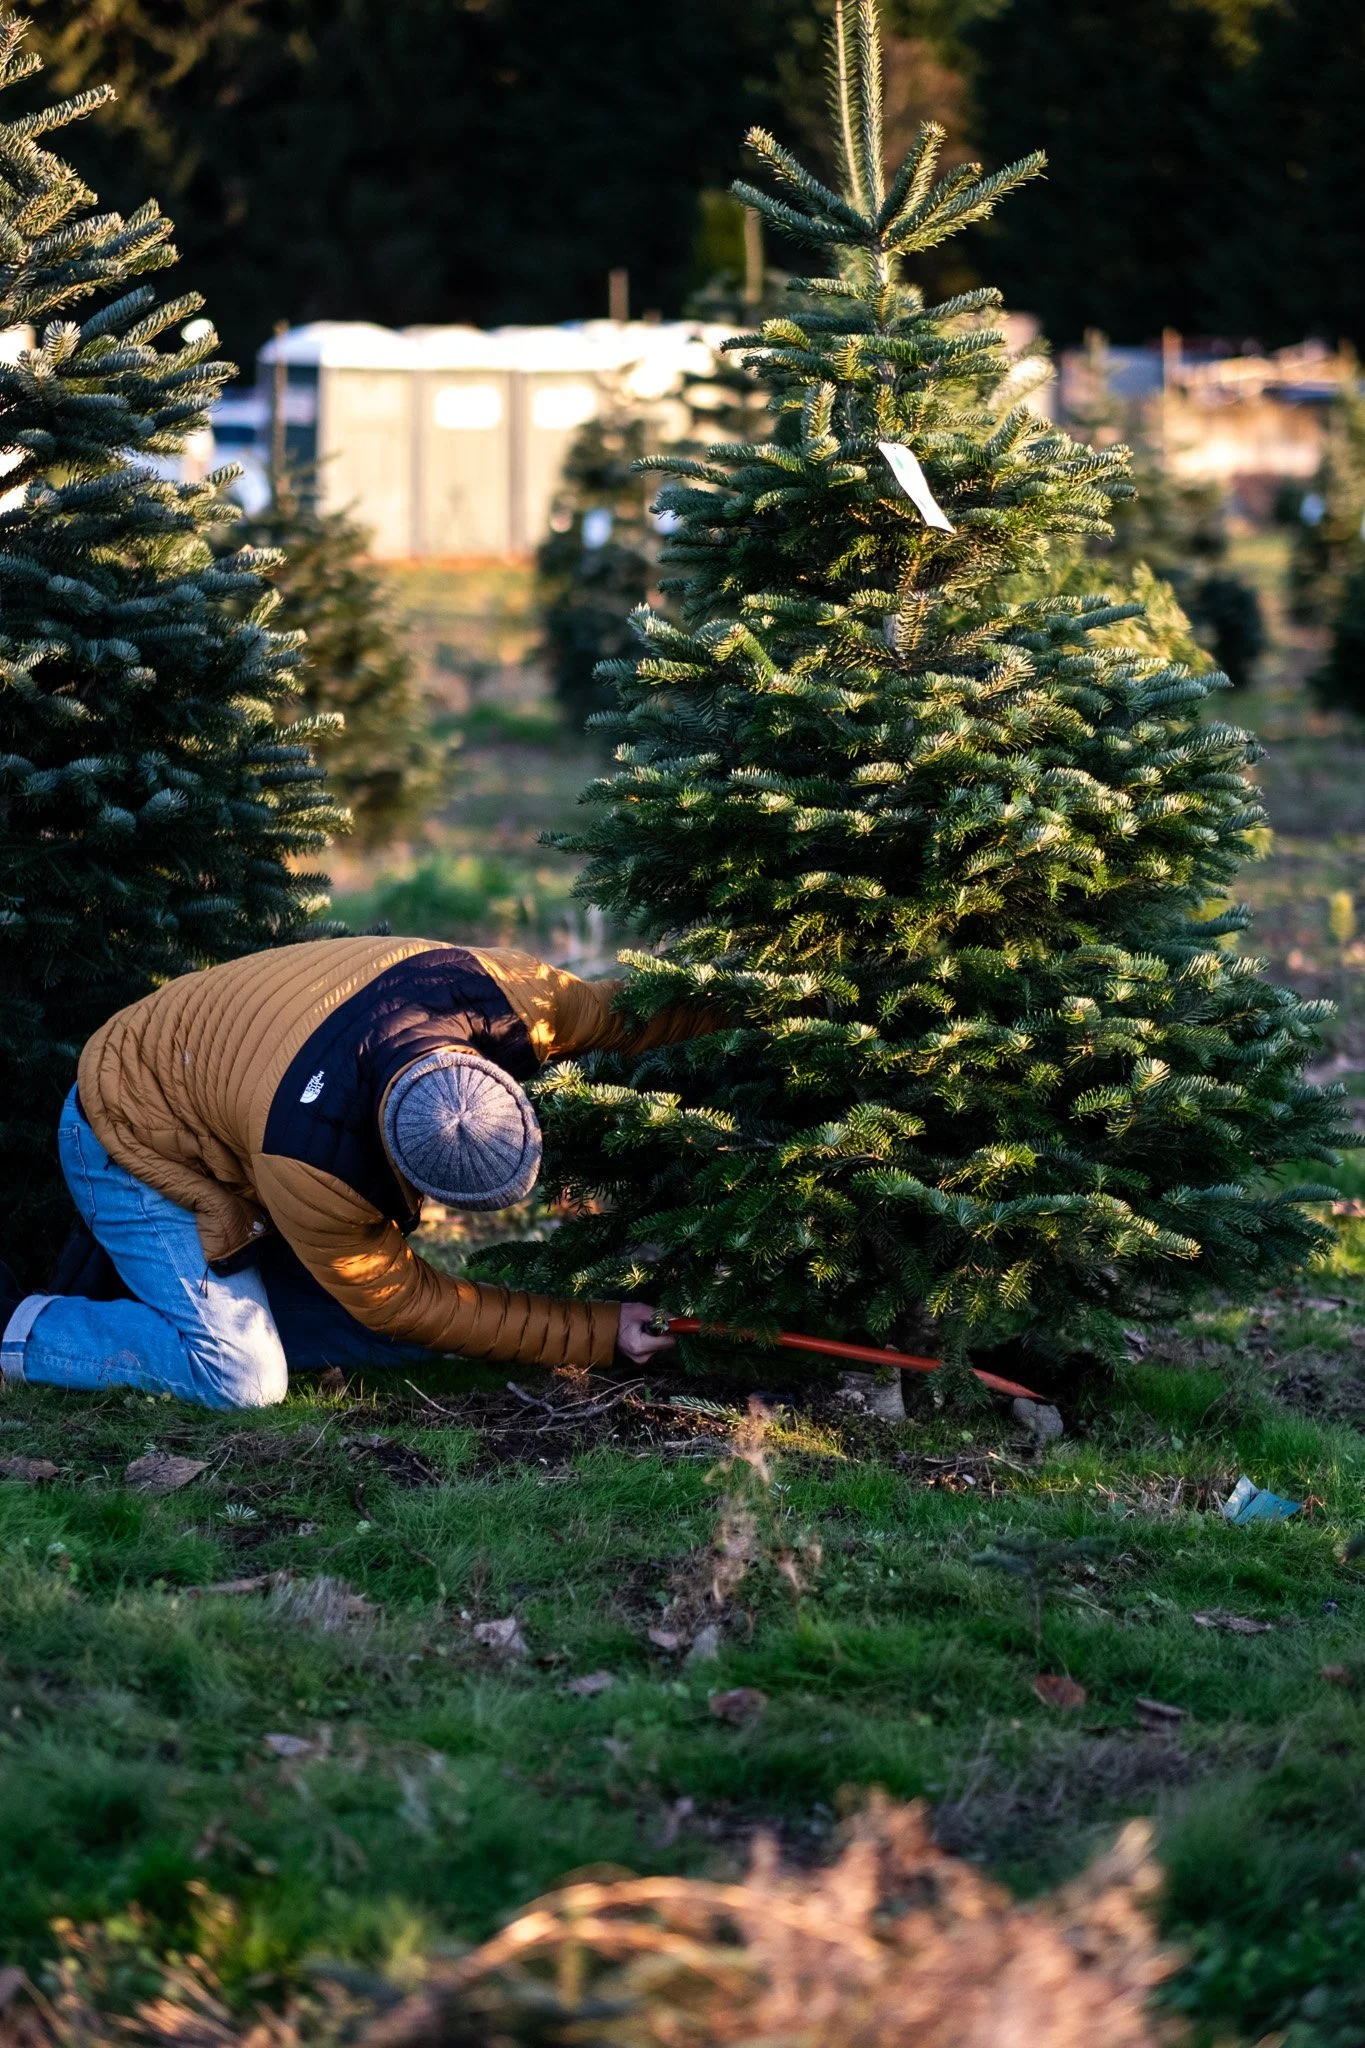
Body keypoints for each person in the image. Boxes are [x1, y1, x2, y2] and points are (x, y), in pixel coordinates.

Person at [0, 936, 717, 1409]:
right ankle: (22, 1327)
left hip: (220, 1079)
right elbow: (404, 1300)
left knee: (384, 1338)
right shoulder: (313, 1167)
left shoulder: (511, 997)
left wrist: (791, 999)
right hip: (129, 1126)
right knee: (245, 1379)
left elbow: (635, 1012)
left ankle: (150, 1290)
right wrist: (600, 1334)